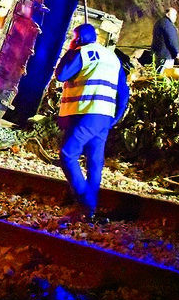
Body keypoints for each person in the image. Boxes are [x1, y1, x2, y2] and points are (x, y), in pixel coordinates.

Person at [55, 23, 129, 221]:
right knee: (94, 162)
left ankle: (85, 201)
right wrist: (116, 116)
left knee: (67, 153)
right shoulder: (112, 58)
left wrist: (70, 51)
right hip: (104, 116)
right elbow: (124, 91)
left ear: (78, 38)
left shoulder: (84, 53)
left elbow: (61, 74)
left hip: (86, 113)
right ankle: (90, 208)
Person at [150, 7, 179, 74]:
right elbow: (172, 39)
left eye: (175, 15)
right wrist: (177, 51)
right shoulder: (168, 25)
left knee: (158, 72)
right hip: (166, 55)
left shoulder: (159, 22)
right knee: (164, 74)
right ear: (167, 14)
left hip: (158, 54)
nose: (175, 17)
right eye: (173, 15)